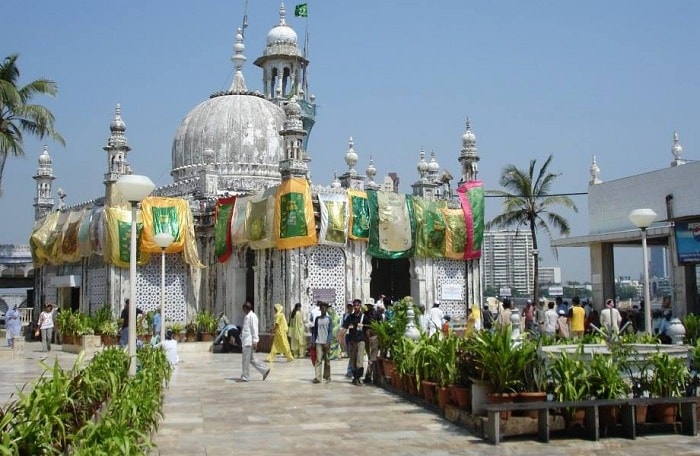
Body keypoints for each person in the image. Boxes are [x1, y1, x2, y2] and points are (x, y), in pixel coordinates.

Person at [240, 302, 270, 382]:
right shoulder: (247, 317)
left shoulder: (252, 317)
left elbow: (254, 329)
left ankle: (245, 376)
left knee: (245, 360)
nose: (243, 311)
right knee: (251, 359)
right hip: (246, 340)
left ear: (246, 309)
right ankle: (265, 370)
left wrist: (255, 341)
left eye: (244, 309)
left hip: (249, 341)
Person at [338, 299, 366, 385]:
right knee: (353, 360)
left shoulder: (363, 317)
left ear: (360, 306)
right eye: (355, 305)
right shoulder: (350, 317)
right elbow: (345, 327)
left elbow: (368, 329)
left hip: (361, 341)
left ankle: (358, 378)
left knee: (360, 360)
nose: (356, 307)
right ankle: (355, 377)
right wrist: (340, 337)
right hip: (352, 341)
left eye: (358, 305)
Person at [311, 301, 333, 383]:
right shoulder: (317, 319)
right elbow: (315, 331)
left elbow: (330, 331)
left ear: (327, 309)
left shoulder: (329, 319)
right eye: (322, 308)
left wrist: (328, 341)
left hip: (326, 342)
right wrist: (313, 341)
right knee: (318, 359)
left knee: (327, 360)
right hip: (318, 342)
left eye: (325, 308)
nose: (323, 309)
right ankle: (318, 377)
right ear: (320, 309)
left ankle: (327, 376)